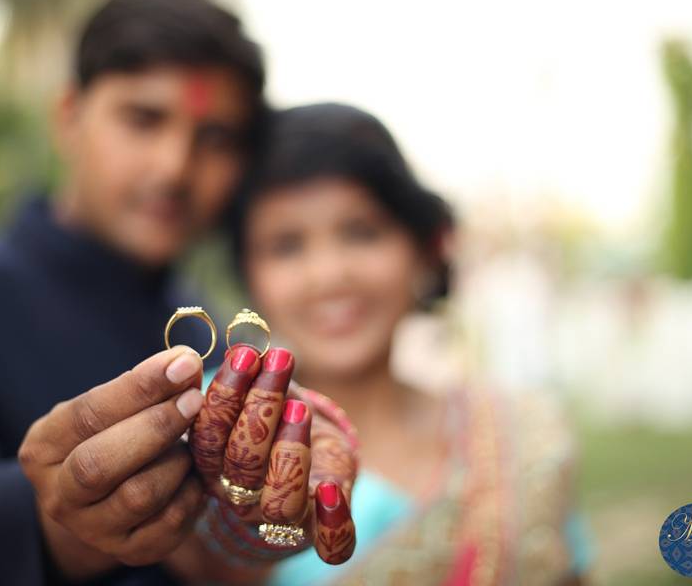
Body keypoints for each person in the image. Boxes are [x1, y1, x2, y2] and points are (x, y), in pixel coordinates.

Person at [0, 0, 356, 586]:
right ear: (69, 116)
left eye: (214, 137)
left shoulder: (217, 342)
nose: (174, 167)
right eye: (144, 119)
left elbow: (226, 553)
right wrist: (60, 521)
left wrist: (253, 527)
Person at [228, 103, 594, 585]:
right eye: (287, 245)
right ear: (248, 274)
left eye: (361, 233)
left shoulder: (519, 440)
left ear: (421, 250)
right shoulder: (216, 436)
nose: (330, 275)